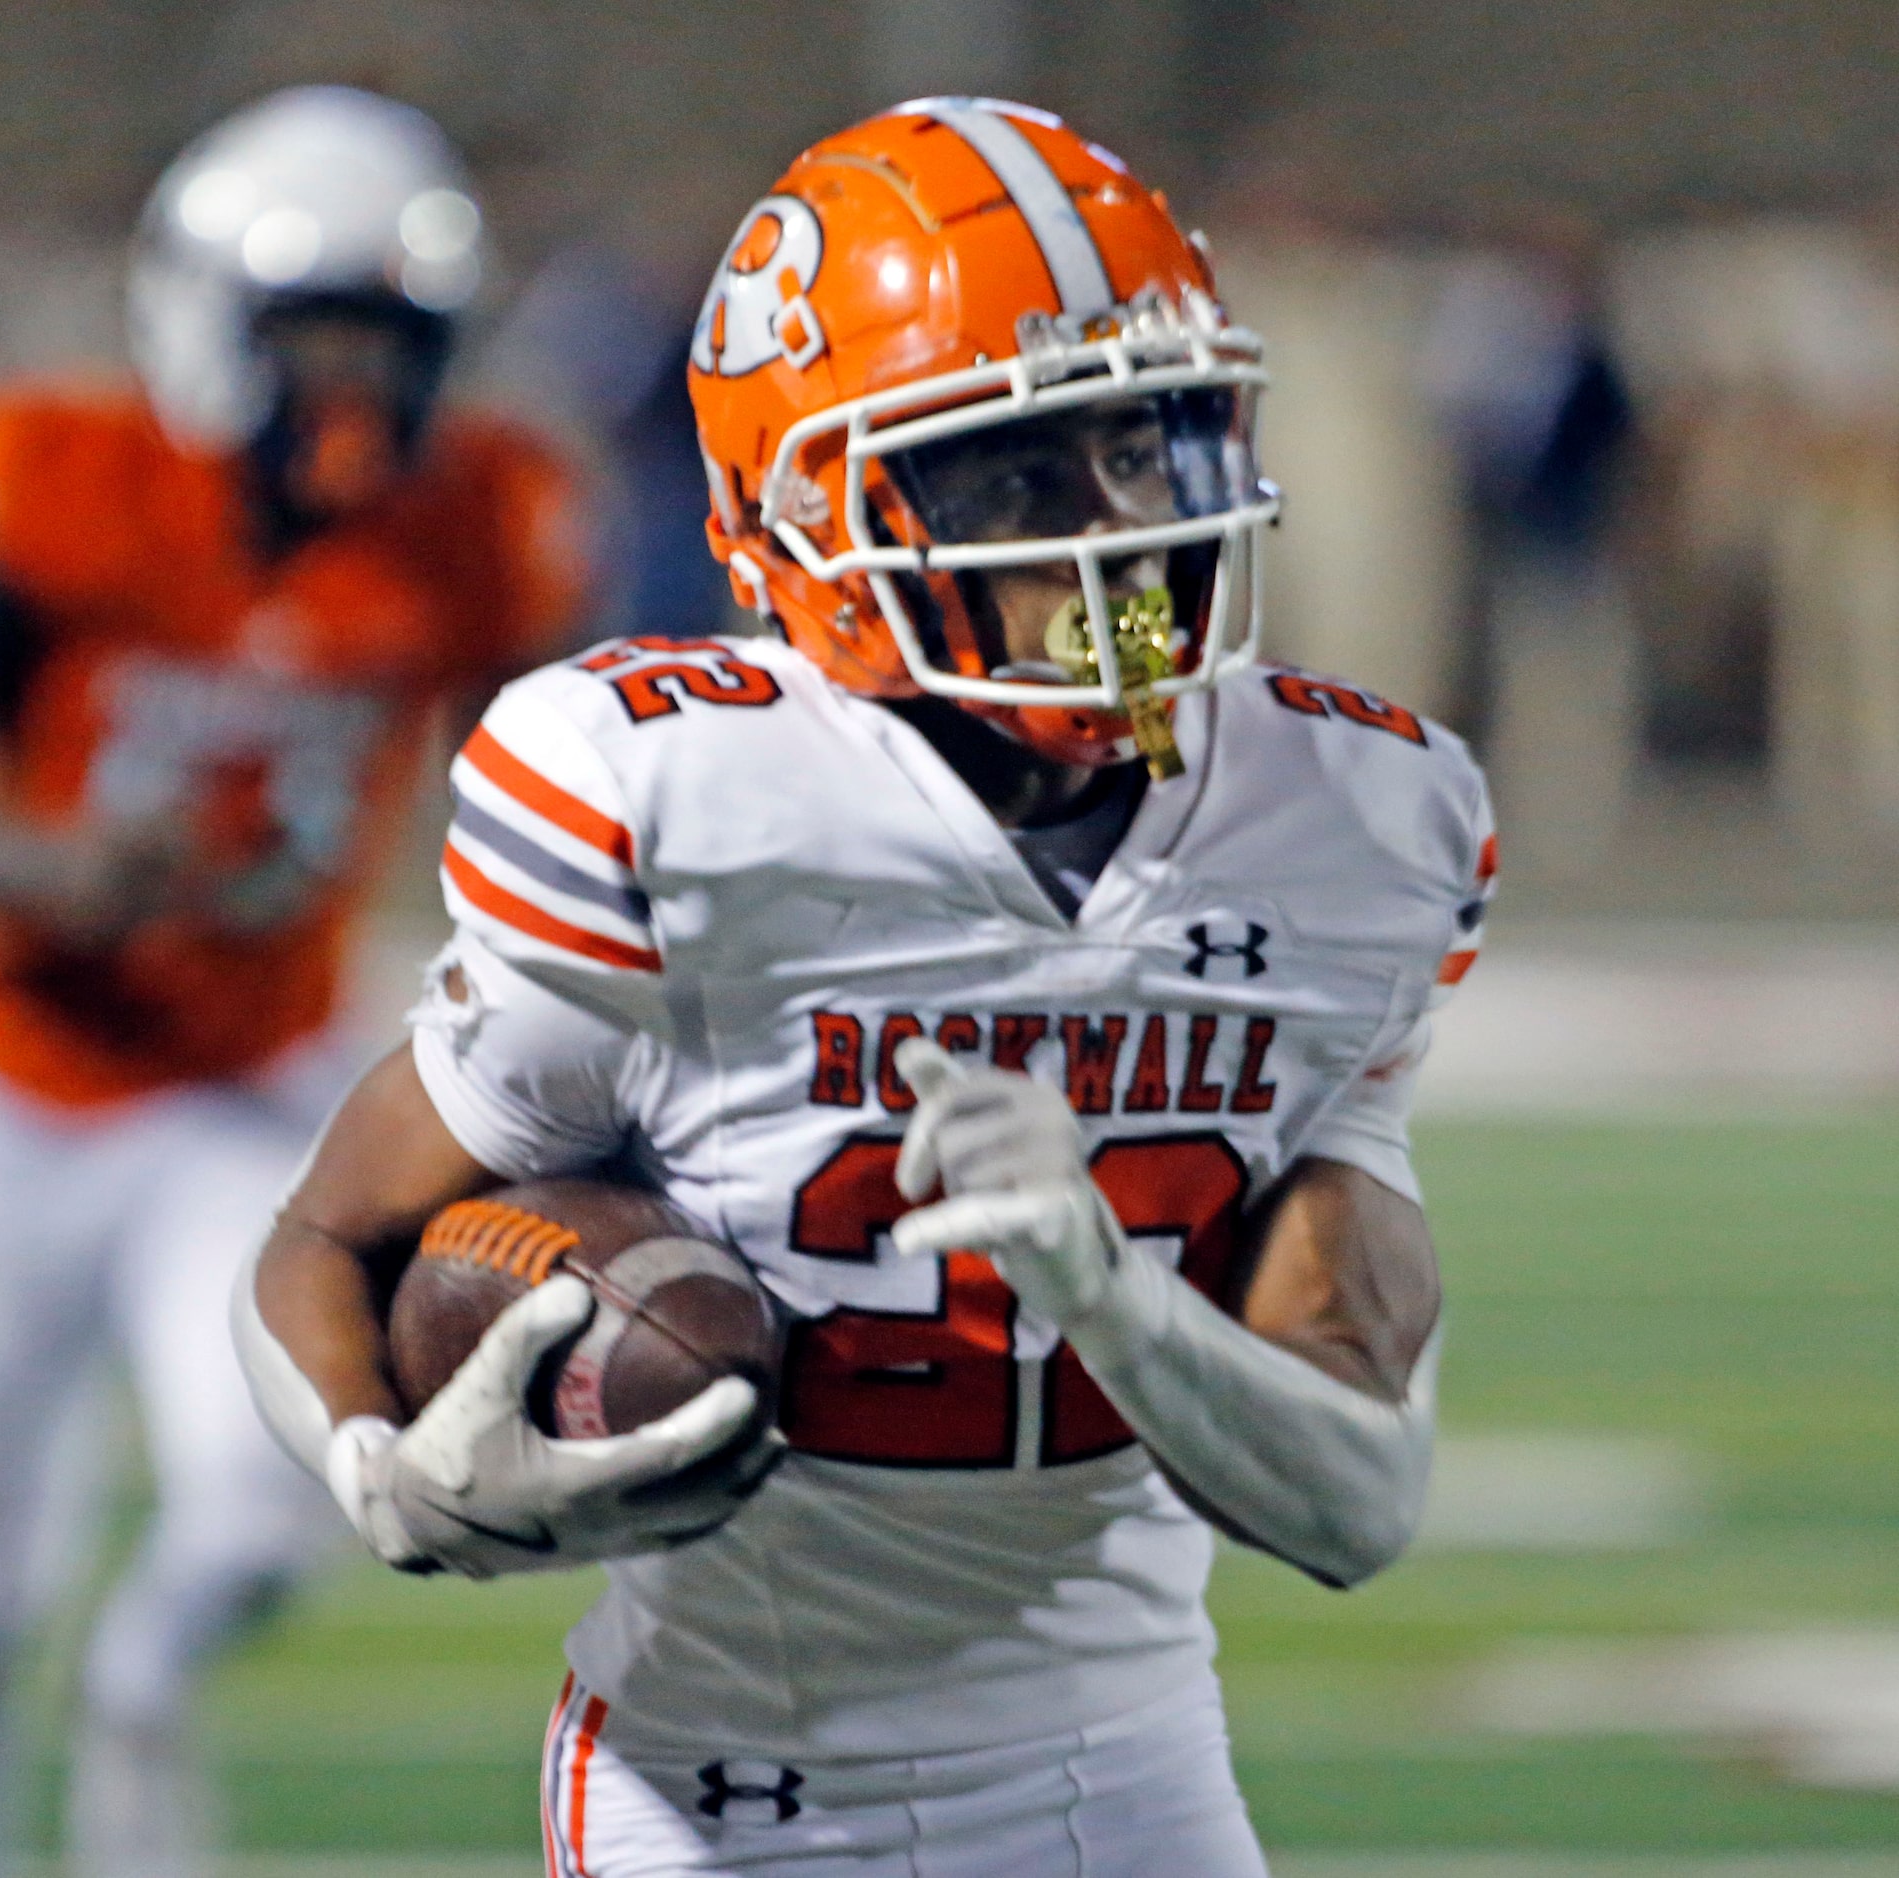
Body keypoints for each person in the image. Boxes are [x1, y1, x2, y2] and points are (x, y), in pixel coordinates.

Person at [236, 97, 1495, 1877]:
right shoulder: (672, 801)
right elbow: (322, 1239)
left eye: (1145, 448)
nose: (1111, 543)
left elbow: (1357, 1506)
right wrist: (387, 1468)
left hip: (1132, 1781)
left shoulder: (1351, 826)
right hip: (727, 1794)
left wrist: (1108, 1299)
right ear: (800, 513)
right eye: (1014, 477)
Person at [0, 85, 589, 1878]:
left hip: (248, 1090)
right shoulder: (53, 471)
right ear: (205, 319)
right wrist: (44, 866)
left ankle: (144, 1674)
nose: (351, 386)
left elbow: (554, 793)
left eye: (387, 341)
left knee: (282, 1501)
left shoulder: (477, 505)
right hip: (17, 1092)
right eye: (312, 333)